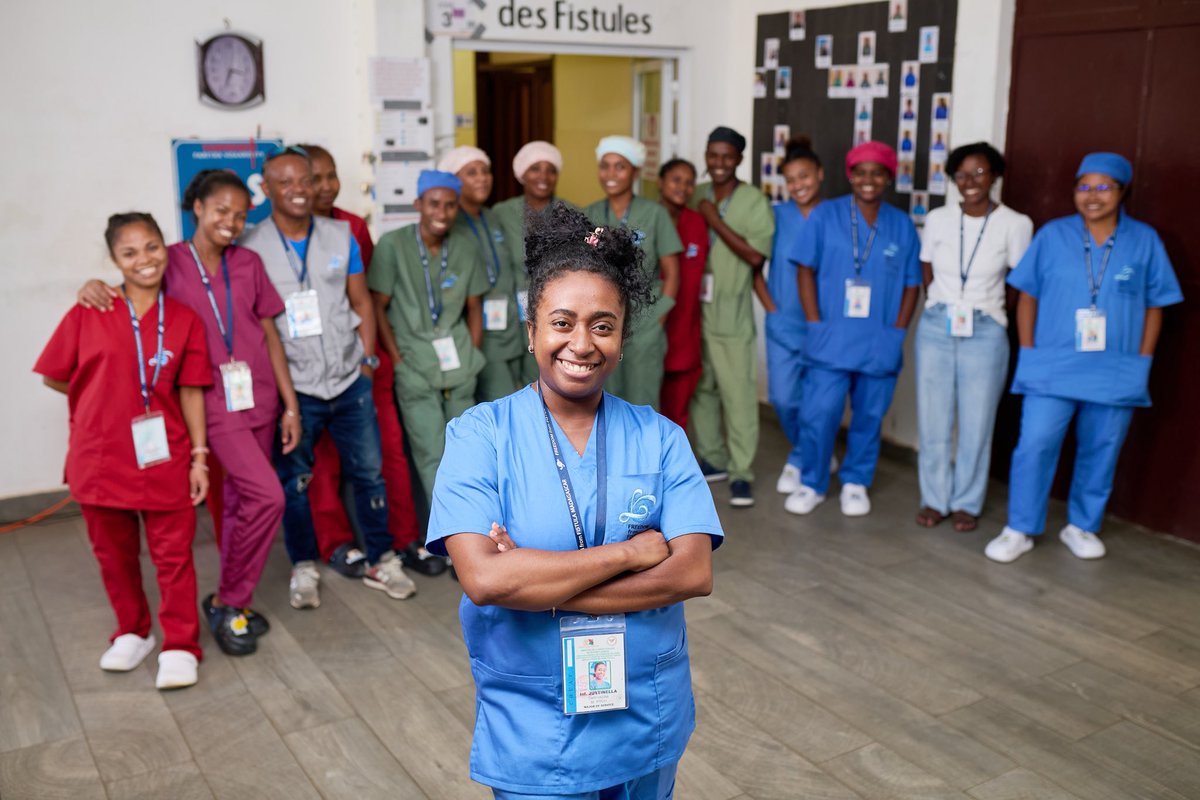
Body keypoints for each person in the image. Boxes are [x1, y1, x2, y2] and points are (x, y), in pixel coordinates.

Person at [427, 202, 722, 799]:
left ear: (622, 335)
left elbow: (692, 572)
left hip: (645, 712)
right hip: (536, 724)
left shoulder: (661, 437)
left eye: (603, 325)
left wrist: (538, 580)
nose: (581, 344)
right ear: (531, 326)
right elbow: (484, 580)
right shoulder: (479, 435)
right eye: (562, 322)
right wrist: (630, 555)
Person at [75, 172, 299, 657]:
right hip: (211, 402)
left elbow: (269, 333)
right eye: (221, 209)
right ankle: (229, 600)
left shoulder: (249, 262)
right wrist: (96, 286)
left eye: (241, 214)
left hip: (258, 396)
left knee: (243, 503)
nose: (231, 222)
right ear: (195, 207)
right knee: (268, 498)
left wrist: (290, 402)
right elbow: (132, 298)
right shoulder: (167, 260)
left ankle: (230, 601)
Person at [36, 213, 212, 689]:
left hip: (164, 457)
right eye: (129, 252)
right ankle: (133, 632)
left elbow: (193, 390)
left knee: (173, 557)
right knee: (113, 556)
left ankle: (179, 643)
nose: (144, 260)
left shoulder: (183, 319)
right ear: (114, 259)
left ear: (165, 248)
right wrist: (100, 402)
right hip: (99, 458)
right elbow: (57, 375)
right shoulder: (90, 310)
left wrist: (199, 456)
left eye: (152, 247)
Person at [984, 152, 1183, 563]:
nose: (1092, 196)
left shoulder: (1144, 241)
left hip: (1115, 369)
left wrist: (1142, 361)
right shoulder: (1053, 236)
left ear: (1122, 191)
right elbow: (1028, 295)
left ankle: (1082, 525)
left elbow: (1155, 306)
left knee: (1102, 446)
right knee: (1035, 444)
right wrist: (1030, 351)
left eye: (1103, 186)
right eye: (1084, 186)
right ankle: (1020, 527)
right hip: (1052, 365)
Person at [241, 146, 416, 608]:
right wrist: (286, 398)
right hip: (295, 386)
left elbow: (362, 303)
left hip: (348, 379)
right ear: (267, 189)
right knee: (296, 482)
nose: (300, 190)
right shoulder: (251, 247)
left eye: (306, 180)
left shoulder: (341, 234)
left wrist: (365, 360)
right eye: (287, 182)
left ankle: (383, 558)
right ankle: (303, 566)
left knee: (369, 473)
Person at [303, 144, 430, 578]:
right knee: (323, 462)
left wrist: (373, 358)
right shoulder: (276, 235)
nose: (323, 186)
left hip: (364, 362)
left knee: (388, 453)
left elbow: (371, 299)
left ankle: (405, 538)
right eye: (313, 178)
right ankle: (337, 543)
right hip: (314, 370)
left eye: (329, 175)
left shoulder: (353, 226)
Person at [787, 141, 921, 517]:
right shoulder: (826, 216)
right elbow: (804, 270)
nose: (868, 180)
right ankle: (813, 481)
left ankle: (856, 481)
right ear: (849, 175)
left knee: (869, 415)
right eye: (860, 172)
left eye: (876, 173)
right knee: (819, 413)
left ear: (888, 178)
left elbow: (912, 284)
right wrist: (814, 321)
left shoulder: (901, 226)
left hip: (880, 340)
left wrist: (897, 331)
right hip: (830, 336)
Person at [915, 143, 1033, 532]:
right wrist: (945, 304)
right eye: (961, 174)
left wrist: (987, 310)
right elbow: (927, 269)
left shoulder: (1016, 224)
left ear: (995, 176)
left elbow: (1017, 283)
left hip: (985, 329)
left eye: (979, 173)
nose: (970, 182)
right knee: (933, 420)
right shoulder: (937, 218)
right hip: (936, 325)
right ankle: (935, 498)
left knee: (977, 422)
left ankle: (967, 501)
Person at [370, 170, 488, 514]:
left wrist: (474, 355)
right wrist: (398, 359)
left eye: (450, 206)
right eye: (434, 204)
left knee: (467, 451)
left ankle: (475, 525)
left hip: (459, 362)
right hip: (414, 362)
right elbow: (377, 306)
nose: (442, 213)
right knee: (431, 453)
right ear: (418, 204)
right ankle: (451, 537)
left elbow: (474, 306)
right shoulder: (394, 245)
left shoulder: (465, 246)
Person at [690, 126, 775, 508]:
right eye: (713, 155)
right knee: (701, 387)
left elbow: (756, 257)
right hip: (696, 309)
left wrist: (714, 220)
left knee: (738, 393)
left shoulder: (754, 201)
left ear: (739, 159)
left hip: (731, 311)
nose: (719, 163)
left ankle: (742, 473)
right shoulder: (696, 194)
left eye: (727, 156)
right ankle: (713, 458)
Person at [585, 135, 683, 409]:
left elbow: (672, 273)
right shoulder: (590, 213)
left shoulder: (655, 214)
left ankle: (646, 453)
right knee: (602, 398)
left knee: (643, 399)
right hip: (601, 319)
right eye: (605, 165)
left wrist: (658, 316)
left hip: (645, 320)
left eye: (620, 166)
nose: (611, 174)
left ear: (636, 172)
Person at [439, 146, 527, 403]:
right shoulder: (451, 225)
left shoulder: (493, 217)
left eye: (485, 171)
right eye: (472, 173)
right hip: (478, 333)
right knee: (503, 404)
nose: (482, 178)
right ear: (454, 180)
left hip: (509, 328)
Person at [764, 137, 824, 497]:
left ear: (820, 174)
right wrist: (770, 305)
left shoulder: (835, 215)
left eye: (804, 176)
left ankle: (802, 457)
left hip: (822, 326)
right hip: (783, 322)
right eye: (791, 179)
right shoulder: (776, 216)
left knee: (817, 401)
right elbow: (754, 261)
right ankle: (810, 453)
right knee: (784, 399)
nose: (798, 184)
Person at [493, 141, 568, 384]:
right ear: (522, 174)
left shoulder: (569, 213)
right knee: (505, 382)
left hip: (554, 308)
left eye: (551, 170)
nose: (543, 176)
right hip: (508, 311)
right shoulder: (501, 213)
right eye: (535, 168)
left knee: (547, 377)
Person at [657, 158, 709, 428]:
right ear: (660, 182)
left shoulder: (697, 224)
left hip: (685, 331)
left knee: (677, 416)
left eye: (690, 183)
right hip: (651, 329)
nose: (684, 187)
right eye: (676, 180)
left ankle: (672, 468)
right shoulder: (647, 220)